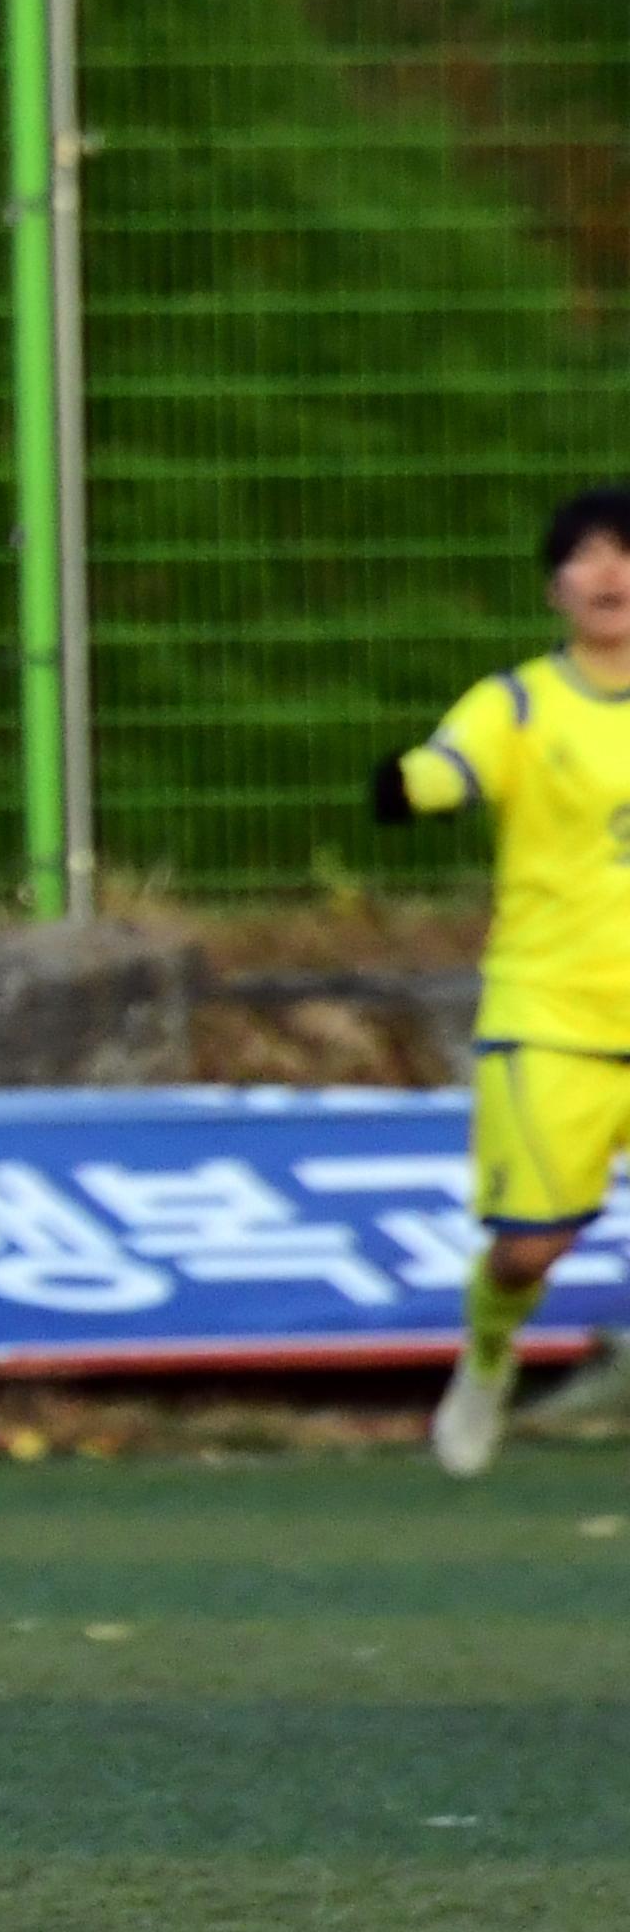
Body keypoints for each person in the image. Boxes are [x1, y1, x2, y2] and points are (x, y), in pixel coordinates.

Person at [379, 483, 630, 1476]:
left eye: (626, 550)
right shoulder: (520, 702)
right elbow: (449, 765)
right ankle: (487, 1359)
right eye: (588, 554)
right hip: (553, 1015)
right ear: (556, 585)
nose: (610, 572)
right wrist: (410, 785)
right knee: (530, 1247)